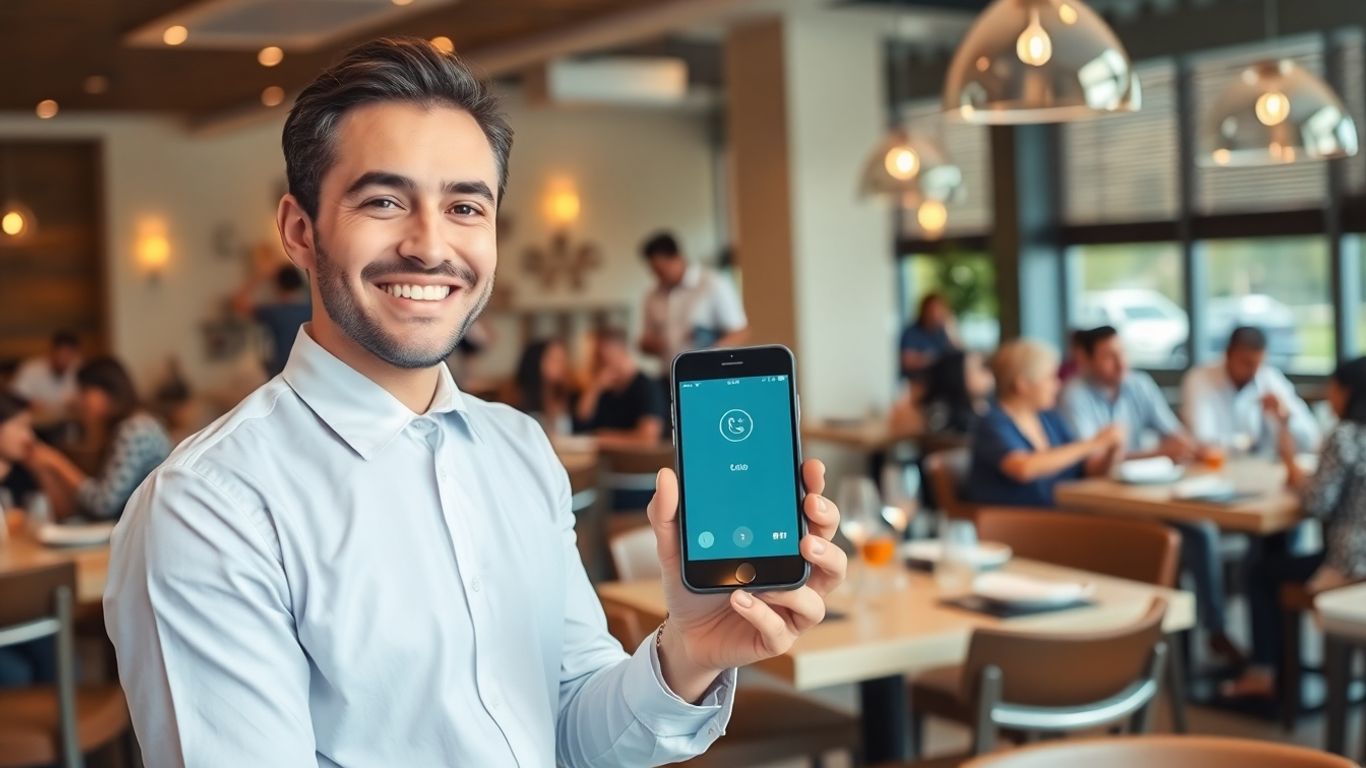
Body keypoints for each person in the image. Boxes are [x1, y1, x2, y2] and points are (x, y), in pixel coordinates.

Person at [105, 39, 845, 768]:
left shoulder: (519, 450)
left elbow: (571, 732)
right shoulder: (210, 507)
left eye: (465, 206)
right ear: (301, 231)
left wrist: (689, 654)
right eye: (385, 201)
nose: (430, 245)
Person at [1060, 325, 1242, 663]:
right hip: (1099, 505)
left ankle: (1209, 634)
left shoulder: (1138, 385)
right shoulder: (1074, 396)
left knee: (1201, 526)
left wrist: (1193, 448)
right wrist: (1155, 453)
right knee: (1196, 531)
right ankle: (1196, 638)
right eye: (1109, 356)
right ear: (1084, 359)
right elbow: (1093, 466)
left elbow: (1174, 434)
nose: (1120, 362)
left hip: (1149, 493)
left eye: (1123, 352)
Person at [1228, 357, 1366, 698]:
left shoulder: (1346, 435)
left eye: (1331, 388)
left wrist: (1290, 461)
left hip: (1352, 563)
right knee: (1277, 562)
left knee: (1259, 572)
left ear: (1347, 392)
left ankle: (1266, 671)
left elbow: (1316, 502)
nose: (1327, 395)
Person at [966, 339, 1124, 507]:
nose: (1057, 384)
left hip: (1058, 515)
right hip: (1016, 525)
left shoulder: (1048, 418)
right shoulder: (993, 422)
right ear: (1023, 384)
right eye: (1050, 377)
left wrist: (1111, 451)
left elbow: (1086, 471)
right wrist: (1094, 444)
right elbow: (1023, 468)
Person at [24, 357, 171, 521]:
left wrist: (57, 462)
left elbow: (103, 505)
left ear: (109, 392)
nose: (79, 400)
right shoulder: (124, 426)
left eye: (84, 391)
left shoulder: (135, 429)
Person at [1182, 326, 1319, 456]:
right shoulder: (1200, 379)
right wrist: (1242, 444)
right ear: (1229, 354)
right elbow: (1202, 440)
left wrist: (1284, 419)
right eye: (1246, 363)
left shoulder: (1269, 378)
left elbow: (1311, 440)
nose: (1253, 371)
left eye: (1258, 364)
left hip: (1260, 469)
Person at [0, 393, 56, 688]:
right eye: (21, 427)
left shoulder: (22, 475)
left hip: (18, 601)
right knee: (18, 673)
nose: (29, 436)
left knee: (60, 655)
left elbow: (53, 517)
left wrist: (43, 469)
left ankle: (65, 730)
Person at [638, 232, 749, 370]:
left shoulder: (713, 284)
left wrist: (711, 352)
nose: (658, 277)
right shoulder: (652, 295)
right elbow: (644, 341)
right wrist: (657, 344)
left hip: (708, 373)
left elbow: (739, 331)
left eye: (661, 270)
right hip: (668, 375)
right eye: (653, 271)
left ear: (677, 258)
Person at [575, 328, 666, 449]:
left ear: (621, 352)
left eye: (601, 357)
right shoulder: (603, 388)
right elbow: (580, 425)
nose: (595, 363)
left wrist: (603, 439)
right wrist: (595, 388)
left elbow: (649, 438)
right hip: (606, 462)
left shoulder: (646, 386)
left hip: (639, 463)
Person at [234, 263, 312, 378]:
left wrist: (260, 276)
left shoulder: (276, 313)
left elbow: (238, 304)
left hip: (284, 374)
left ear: (278, 287)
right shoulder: (312, 308)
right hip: (309, 370)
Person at [10, 330, 81, 425]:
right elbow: (14, 396)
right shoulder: (31, 369)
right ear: (52, 352)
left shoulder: (79, 369)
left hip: (69, 424)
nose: (64, 360)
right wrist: (28, 403)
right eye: (61, 355)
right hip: (36, 426)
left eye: (69, 355)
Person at [921, 350, 992, 435]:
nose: (989, 373)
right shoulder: (943, 415)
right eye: (981, 368)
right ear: (959, 377)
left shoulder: (986, 408)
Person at [513, 338, 575, 435]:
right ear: (536, 361)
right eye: (555, 360)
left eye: (563, 360)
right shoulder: (519, 399)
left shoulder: (568, 395)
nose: (562, 366)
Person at [900, 293, 960, 381]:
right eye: (932, 310)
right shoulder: (912, 332)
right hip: (919, 382)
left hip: (941, 382)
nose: (935, 314)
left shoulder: (943, 331)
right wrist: (933, 360)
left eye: (939, 310)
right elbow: (907, 361)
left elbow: (959, 354)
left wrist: (951, 329)